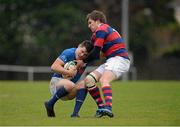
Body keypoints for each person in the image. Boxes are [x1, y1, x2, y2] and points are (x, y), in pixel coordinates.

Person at [83, 10, 130, 118]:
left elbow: (95, 53)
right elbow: (96, 53)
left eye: (90, 22)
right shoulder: (97, 35)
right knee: (89, 80)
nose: (89, 26)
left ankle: (108, 108)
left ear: (98, 21)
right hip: (112, 60)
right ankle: (101, 108)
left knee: (104, 80)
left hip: (119, 59)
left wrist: (82, 62)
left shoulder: (102, 29)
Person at [44, 40, 93, 117]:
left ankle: (75, 114)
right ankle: (50, 103)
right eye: (82, 51)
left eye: (85, 54)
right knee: (70, 85)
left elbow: (100, 52)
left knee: (85, 84)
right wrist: (69, 73)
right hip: (56, 83)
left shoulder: (85, 60)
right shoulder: (69, 53)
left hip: (69, 89)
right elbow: (53, 67)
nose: (82, 54)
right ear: (79, 46)